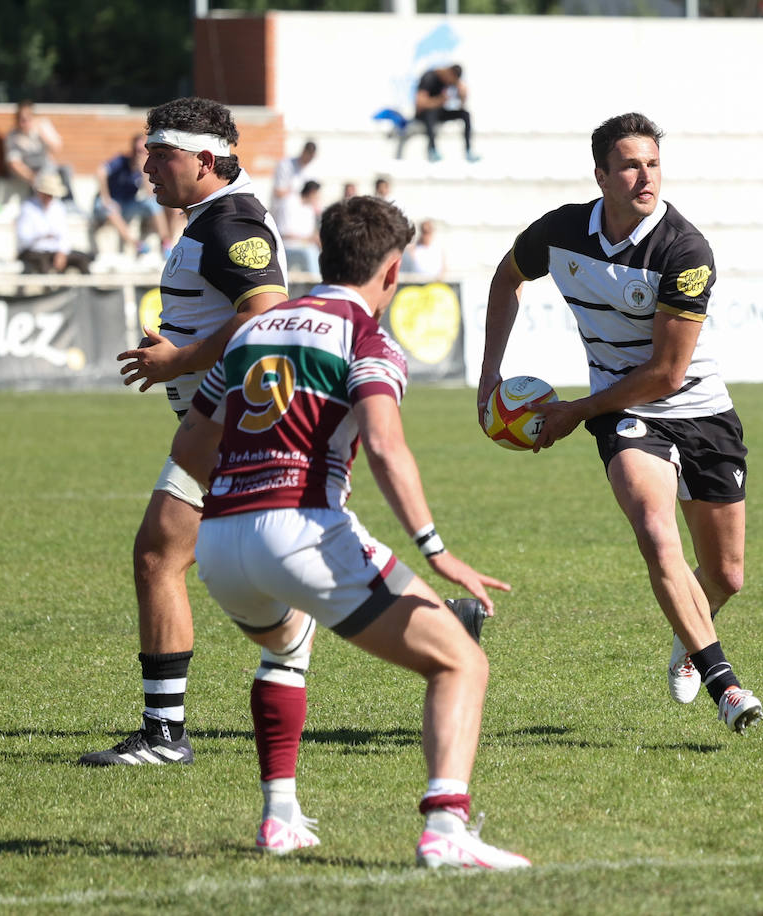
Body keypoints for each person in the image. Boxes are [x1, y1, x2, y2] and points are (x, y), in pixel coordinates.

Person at [169, 196, 528, 868]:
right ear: (392, 272)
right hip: (300, 529)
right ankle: (446, 832)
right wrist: (436, 549)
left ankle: (279, 817)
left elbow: (193, 438)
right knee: (461, 661)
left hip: (219, 541)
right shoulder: (367, 338)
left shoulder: (255, 328)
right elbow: (387, 448)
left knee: (286, 646)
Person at [479, 112, 763, 733]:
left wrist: (571, 413)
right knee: (657, 533)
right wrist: (488, 381)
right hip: (622, 410)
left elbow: (666, 374)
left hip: (697, 408)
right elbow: (507, 279)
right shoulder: (560, 232)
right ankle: (726, 684)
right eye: (631, 165)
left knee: (728, 576)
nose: (646, 177)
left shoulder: (685, 251)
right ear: (602, 174)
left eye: (654, 164)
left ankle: (689, 635)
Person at [82, 97, 289, 768]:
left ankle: (164, 733)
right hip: (228, 416)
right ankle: (436, 623)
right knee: (272, 581)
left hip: (229, 418)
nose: (146, 166)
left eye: (160, 155)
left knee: (158, 556)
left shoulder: (231, 221)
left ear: (205, 160)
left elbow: (267, 311)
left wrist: (180, 358)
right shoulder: (208, 219)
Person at [92, 134, 173, 256]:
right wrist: (106, 198)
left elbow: (150, 194)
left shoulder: (146, 168)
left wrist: (143, 171)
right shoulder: (121, 161)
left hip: (126, 205)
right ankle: (136, 244)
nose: (138, 154)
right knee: (111, 208)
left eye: (142, 151)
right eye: (136, 150)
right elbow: (100, 171)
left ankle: (165, 242)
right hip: (107, 204)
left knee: (153, 203)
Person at [16, 171, 91, 274]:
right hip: (33, 252)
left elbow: (64, 235)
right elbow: (24, 238)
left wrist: (62, 252)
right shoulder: (28, 208)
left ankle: (87, 290)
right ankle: (48, 290)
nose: (49, 197)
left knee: (83, 259)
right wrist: (43, 235)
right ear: (40, 192)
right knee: (43, 264)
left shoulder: (58, 207)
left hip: (54, 251)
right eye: (47, 194)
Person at [5, 101, 73, 202]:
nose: (24, 123)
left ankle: (68, 203)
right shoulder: (13, 137)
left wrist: (42, 134)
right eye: (21, 119)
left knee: (65, 171)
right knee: (43, 183)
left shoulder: (42, 125)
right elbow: (14, 163)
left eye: (27, 119)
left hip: (47, 167)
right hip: (30, 173)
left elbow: (57, 148)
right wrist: (33, 177)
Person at [414, 65, 477, 164]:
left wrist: (462, 93)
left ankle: (469, 150)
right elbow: (420, 104)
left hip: (439, 113)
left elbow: (462, 103)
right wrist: (439, 100)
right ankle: (432, 149)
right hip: (424, 115)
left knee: (465, 114)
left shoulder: (450, 81)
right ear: (449, 74)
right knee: (431, 113)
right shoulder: (429, 77)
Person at [275, 180, 321, 275]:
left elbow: (310, 234)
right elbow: (284, 233)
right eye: (316, 196)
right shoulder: (289, 203)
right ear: (311, 193)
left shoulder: (309, 209)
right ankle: (315, 280)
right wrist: (307, 239)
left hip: (304, 246)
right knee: (310, 253)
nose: (318, 199)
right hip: (288, 246)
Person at [270, 140, 317, 227]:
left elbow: (313, 195)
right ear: (303, 152)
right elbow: (279, 192)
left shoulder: (312, 169)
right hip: (285, 214)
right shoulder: (285, 165)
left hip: (303, 214)